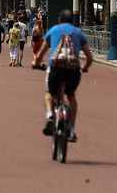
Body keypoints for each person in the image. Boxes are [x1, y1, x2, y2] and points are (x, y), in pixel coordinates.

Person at [33, 9, 93, 143]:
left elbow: (41, 53)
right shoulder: (78, 33)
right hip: (73, 71)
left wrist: (36, 62)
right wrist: (85, 68)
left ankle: (50, 116)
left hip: (55, 69)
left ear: (60, 20)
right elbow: (89, 58)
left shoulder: (54, 30)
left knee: (48, 93)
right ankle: (71, 128)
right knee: (71, 97)